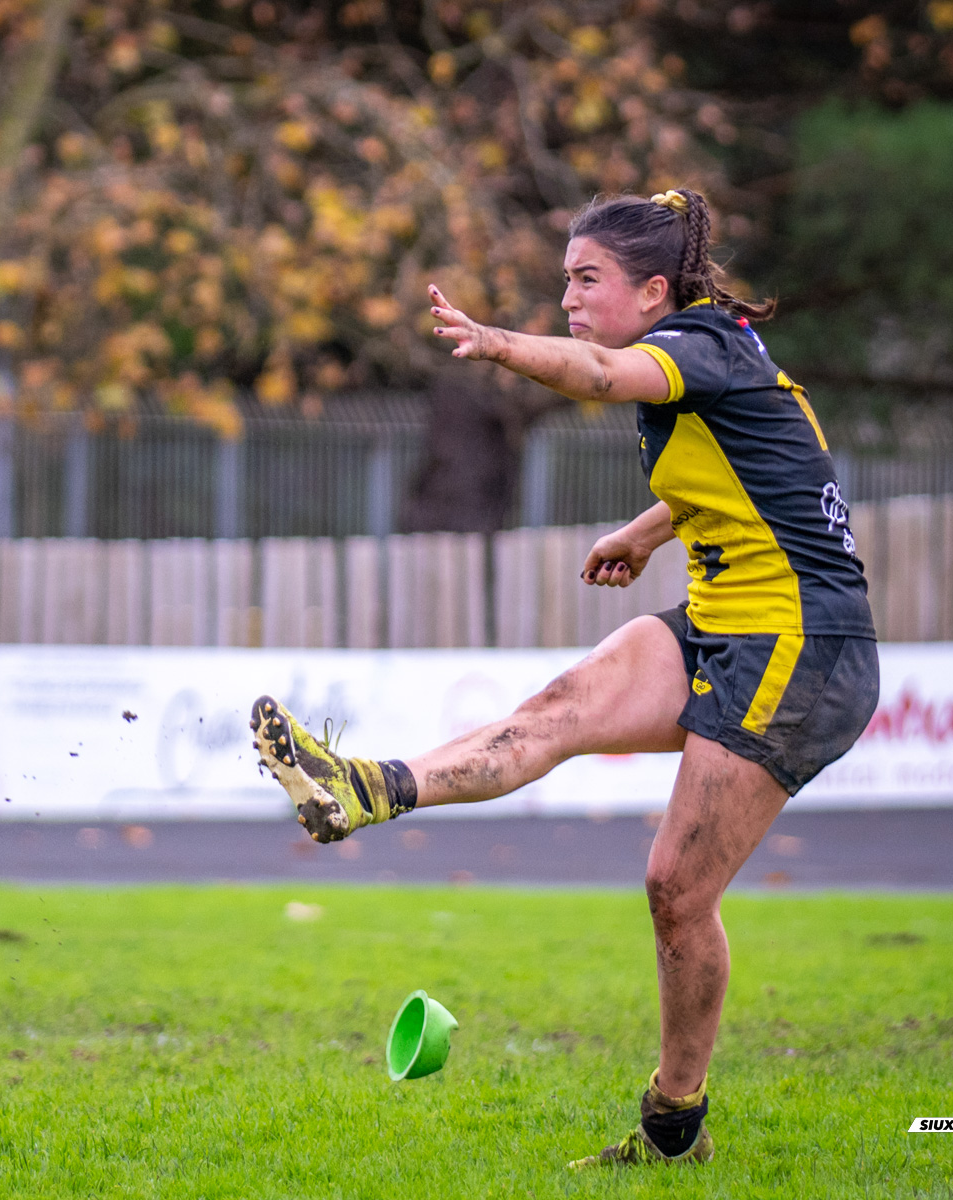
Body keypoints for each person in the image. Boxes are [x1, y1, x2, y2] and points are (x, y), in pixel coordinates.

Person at [250, 188, 879, 1169]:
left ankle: (675, 1126)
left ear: (654, 291)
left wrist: (496, 342)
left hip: (805, 647)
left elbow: (591, 369)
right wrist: (643, 529)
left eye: (587, 281)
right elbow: (764, 462)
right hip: (726, 624)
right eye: (565, 282)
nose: (571, 300)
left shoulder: (699, 347)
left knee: (676, 888)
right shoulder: (715, 357)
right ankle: (366, 788)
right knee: (560, 709)